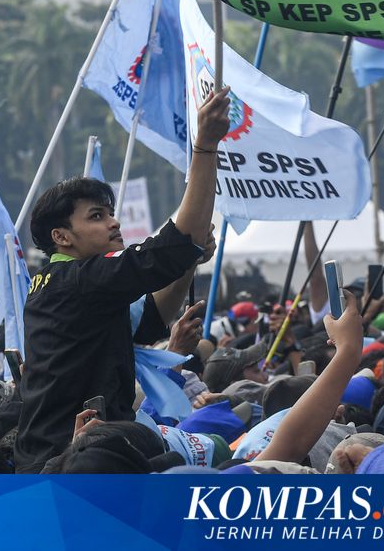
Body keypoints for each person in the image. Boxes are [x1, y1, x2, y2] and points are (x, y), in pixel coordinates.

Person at [13, 85, 230, 473]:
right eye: (96, 216)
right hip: (72, 463)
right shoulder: (78, 279)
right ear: (61, 237)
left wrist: (188, 260)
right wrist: (206, 147)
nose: (113, 221)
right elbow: (174, 244)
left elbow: (148, 321)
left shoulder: (67, 282)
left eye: (110, 212)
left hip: (67, 455)